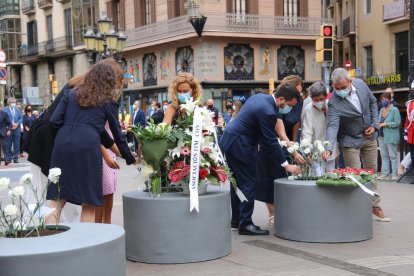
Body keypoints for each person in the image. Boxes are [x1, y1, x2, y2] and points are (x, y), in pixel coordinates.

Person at [46, 63, 136, 223]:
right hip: (88, 146)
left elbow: (54, 120)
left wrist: (65, 135)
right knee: (88, 202)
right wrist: (129, 157)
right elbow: (116, 134)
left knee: (57, 199)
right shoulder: (108, 101)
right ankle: (84, 244)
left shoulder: (70, 94)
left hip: (62, 144)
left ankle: (48, 241)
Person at [219, 84, 301, 235]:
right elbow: (270, 141)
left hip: (230, 141)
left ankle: (237, 220)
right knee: (248, 182)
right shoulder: (268, 111)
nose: (289, 109)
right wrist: (286, 165)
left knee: (237, 182)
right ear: (281, 99)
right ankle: (246, 224)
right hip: (241, 145)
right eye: (289, 105)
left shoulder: (259, 97)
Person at [322, 68, 390, 222]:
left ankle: (374, 206)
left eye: (342, 88)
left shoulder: (361, 84)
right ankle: (358, 210)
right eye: (336, 88)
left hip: (369, 136)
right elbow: (332, 126)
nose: (339, 91)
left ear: (350, 82)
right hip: (349, 140)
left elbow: (373, 102)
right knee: (356, 176)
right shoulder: (333, 101)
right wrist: (328, 148)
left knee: (371, 173)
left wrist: (374, 125)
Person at [301, 81, 338, 173]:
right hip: (316, 152)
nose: (319, 102)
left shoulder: (331, 106)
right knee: (317, 178)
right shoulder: (308, 110)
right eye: (316, 100)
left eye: (321, 99)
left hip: (331, 150)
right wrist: (307, 151)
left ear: (326, 96)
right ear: (311, 98)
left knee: (332, 178)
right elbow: (307, 133)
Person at [377, 93, 401, 181]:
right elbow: (379, 121)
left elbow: (397, 122)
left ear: (390, 100)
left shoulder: (394, 109)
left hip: (391, 136)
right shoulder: (381, 109)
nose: (384, 101)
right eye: (382, 99)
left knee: (393, 156)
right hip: (381, 136)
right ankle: (385, 173)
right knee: (384, 156)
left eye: (385, 99)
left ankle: (394, 174)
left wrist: (385, 124)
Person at [279, 75, 304, 141]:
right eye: (296, 92)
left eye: (299, 92)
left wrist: (294, 143)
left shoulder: (299, 101)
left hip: (290, 136)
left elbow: (296, 122)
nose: (298, 95)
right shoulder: (278, 100)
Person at [2, 97, 23, 164]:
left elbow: (21, 118)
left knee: (17, 144)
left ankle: (16, 158)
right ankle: (8, 158)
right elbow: (3, 120)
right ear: (8, 103)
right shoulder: (4, 110)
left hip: (17, 129)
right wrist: (11, 125)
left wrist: (17, 124)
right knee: (8, 144)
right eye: (12, 102)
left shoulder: (18, 110)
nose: (14, 103)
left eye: (15, 102)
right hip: (8, 129)